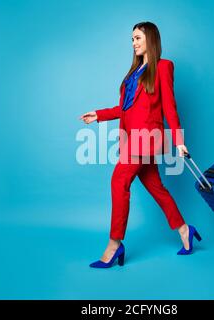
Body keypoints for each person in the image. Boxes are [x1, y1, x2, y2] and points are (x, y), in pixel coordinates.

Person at [79, 22, 201, 268]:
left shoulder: (163, 67)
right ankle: (185, 229)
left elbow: (169, 108)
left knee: (119, 181)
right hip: (131, 141)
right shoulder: (132, 74)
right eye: (132, 39)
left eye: (137, 38)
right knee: (156, 188)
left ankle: (115, 244)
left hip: (146, 141)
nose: (133, 43)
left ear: (150, 40)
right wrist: (99, 115)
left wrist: (179, 142)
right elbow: (125, 109)